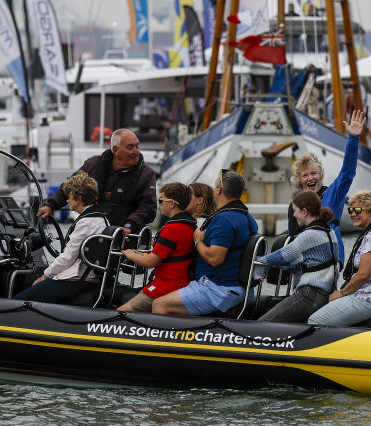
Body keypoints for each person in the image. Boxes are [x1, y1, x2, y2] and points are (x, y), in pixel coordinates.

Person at [152, 170, 257, 317]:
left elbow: (215, 258)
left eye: (215, 186)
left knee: (159, 305)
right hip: (238, 286)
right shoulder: (246, 216)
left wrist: (199, 242)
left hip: (218, 288)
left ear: (219, 190)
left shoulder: (224, 220)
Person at [14, 172, 109, 304]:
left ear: (79, 198)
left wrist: (45, 275)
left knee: (18, 301)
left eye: (70, 196)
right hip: (88, 276)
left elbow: (67, 257)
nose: (67, 200)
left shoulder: (86, 222)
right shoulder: (101, 218)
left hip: (77, 279)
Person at [38, 128, 156, 232]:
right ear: (115, 150)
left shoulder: (146, 174)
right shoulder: (93, 164)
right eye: (130, 147)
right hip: (91, 232)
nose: (136, 151)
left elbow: (148, 208)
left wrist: (130, 226)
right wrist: (51, 206)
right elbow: (70, 187)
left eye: (137, 146)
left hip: (125, 236)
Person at [309, 190, 371, 326]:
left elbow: (363, 275)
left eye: (357, 210)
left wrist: (342, 293)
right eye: (350, 210)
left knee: (315, 320)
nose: (353, 214)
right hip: (368, 295)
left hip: (370, 298)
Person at [287, 110, 365, 258]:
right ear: (299, 180)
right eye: (305, 175)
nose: (310, 178)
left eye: (313, 173)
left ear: (320, 175)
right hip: (303, 260)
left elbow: (347, 172)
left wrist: (354, 138)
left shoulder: (332, 194)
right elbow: (292, 236)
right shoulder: (294, 206)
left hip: (330, 258)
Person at [256, 190, 339, 323]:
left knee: (264, 323)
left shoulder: (309, 235)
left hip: (310, 295)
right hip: (325, 294)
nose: (293, 215)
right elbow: (301, 266)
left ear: (304, 211)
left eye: (295, 211)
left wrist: (258, 261)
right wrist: (274, 267)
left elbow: (282, 255)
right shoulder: (329, 232)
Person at [118, 182, 197, 312]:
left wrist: (130, 254)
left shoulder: (172, 228)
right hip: (182, 285)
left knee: (120, 313)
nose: (160, 204)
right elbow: (166, 256)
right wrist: (140, 254)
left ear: (172, 203)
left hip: (166, 286)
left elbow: (149, 263)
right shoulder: (190, 225)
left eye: (161, 200)